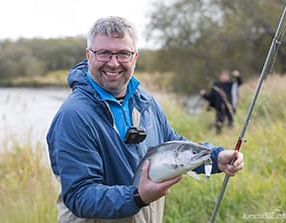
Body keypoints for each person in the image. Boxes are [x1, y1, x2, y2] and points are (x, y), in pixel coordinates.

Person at [47, 16, 244, 223]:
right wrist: (138, 197)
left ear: (135, 57)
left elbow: (170, 144)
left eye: (123, 53)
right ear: (89, 55)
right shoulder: (74, 115)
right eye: (104, 53)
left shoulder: (145, 100)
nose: (113, 63)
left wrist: (213, 157)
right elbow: (79, 196)